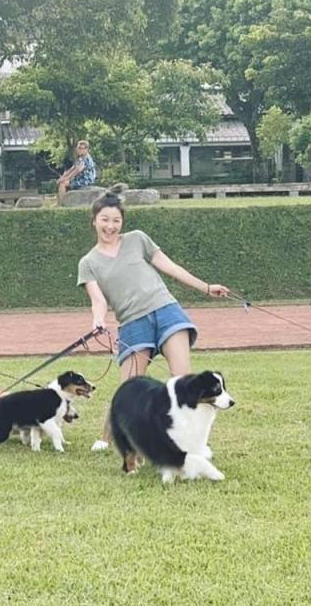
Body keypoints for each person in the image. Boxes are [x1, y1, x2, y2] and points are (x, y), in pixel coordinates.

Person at [76, 191, 230, 450]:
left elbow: (169, 267)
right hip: (133, 323)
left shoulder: (137, 239)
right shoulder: (88, 262)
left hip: (166, 310)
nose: (110, 226)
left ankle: (190, 442)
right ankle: (106, 438)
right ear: (94, 220)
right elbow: (98, 300)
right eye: (104, 220)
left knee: (183, 381)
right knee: (128, 389)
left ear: (122, 222)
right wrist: (98, 320)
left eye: (116, 220)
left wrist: (206, 287)